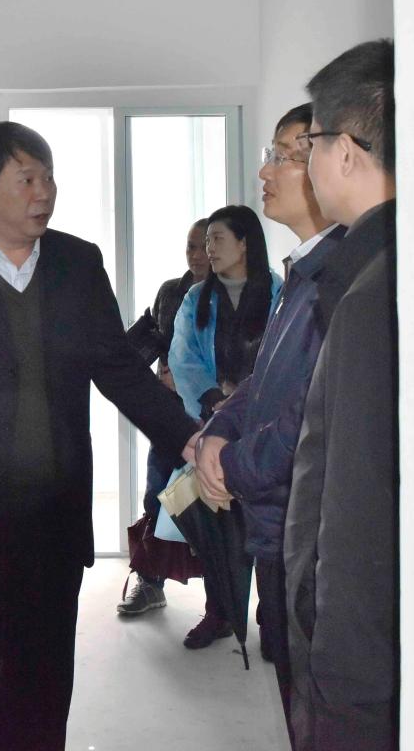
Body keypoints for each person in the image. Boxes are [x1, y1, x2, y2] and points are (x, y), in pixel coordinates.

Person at [0, 121, 199, 751]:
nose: (43, 192)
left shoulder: (79, 262)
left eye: (48, 178)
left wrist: (187, 439)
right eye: (26, 179)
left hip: (53, 519)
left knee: (42, 681)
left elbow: (119, 369)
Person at [193, 103, 343, 743]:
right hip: (275, 522)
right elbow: (265, 381)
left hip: (304, 531)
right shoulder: (303, 271)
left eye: (283, 155)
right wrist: (218, 428)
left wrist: (226, 463)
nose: (266, 171)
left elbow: (307, 416)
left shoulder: (338, 276)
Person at [282, 40, 398, 750]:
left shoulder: (369, 292)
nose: (308, 165)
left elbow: (356, 500)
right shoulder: (393, 259)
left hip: (357, 660)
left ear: (347, 153)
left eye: (312, 144)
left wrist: (340, 672)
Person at [168, 203, 283, 649]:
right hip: (214, 427)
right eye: (206, 240)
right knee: (219, 529)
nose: (208, 249)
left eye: (217, 239)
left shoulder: (279, 293)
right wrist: (216, 401)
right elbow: (183, 359)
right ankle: (220, 614)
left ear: (244, 243)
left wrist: (249, 401)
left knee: (270, 528)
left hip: (269, 431)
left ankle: (273, 621)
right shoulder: (196, 299)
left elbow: (286, 360)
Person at [117, 218, 209, 617]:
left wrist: (186, 378)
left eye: (204, 245)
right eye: (190, 246)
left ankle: (221, 606)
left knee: (214, 509)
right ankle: (150, 582)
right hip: (170, 418)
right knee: (157, 495)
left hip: (214, 418)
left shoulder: (235, 294)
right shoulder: (172, 292)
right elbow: (146, 342)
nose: (196, 255)